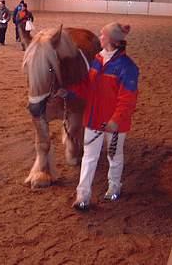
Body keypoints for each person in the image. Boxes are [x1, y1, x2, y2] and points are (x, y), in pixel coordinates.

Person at [57, 22, 139, 211]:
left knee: (113, 156)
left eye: (102, 35)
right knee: (89, 157)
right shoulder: (97, 60)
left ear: (112, 40)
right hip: (93, 119)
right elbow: (88, 87)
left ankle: (114, 185)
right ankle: (83, 195)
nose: (99, 37)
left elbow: (128, 99)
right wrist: (68, 92)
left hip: (115, 124)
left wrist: (115, 121)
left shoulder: (127, 67)